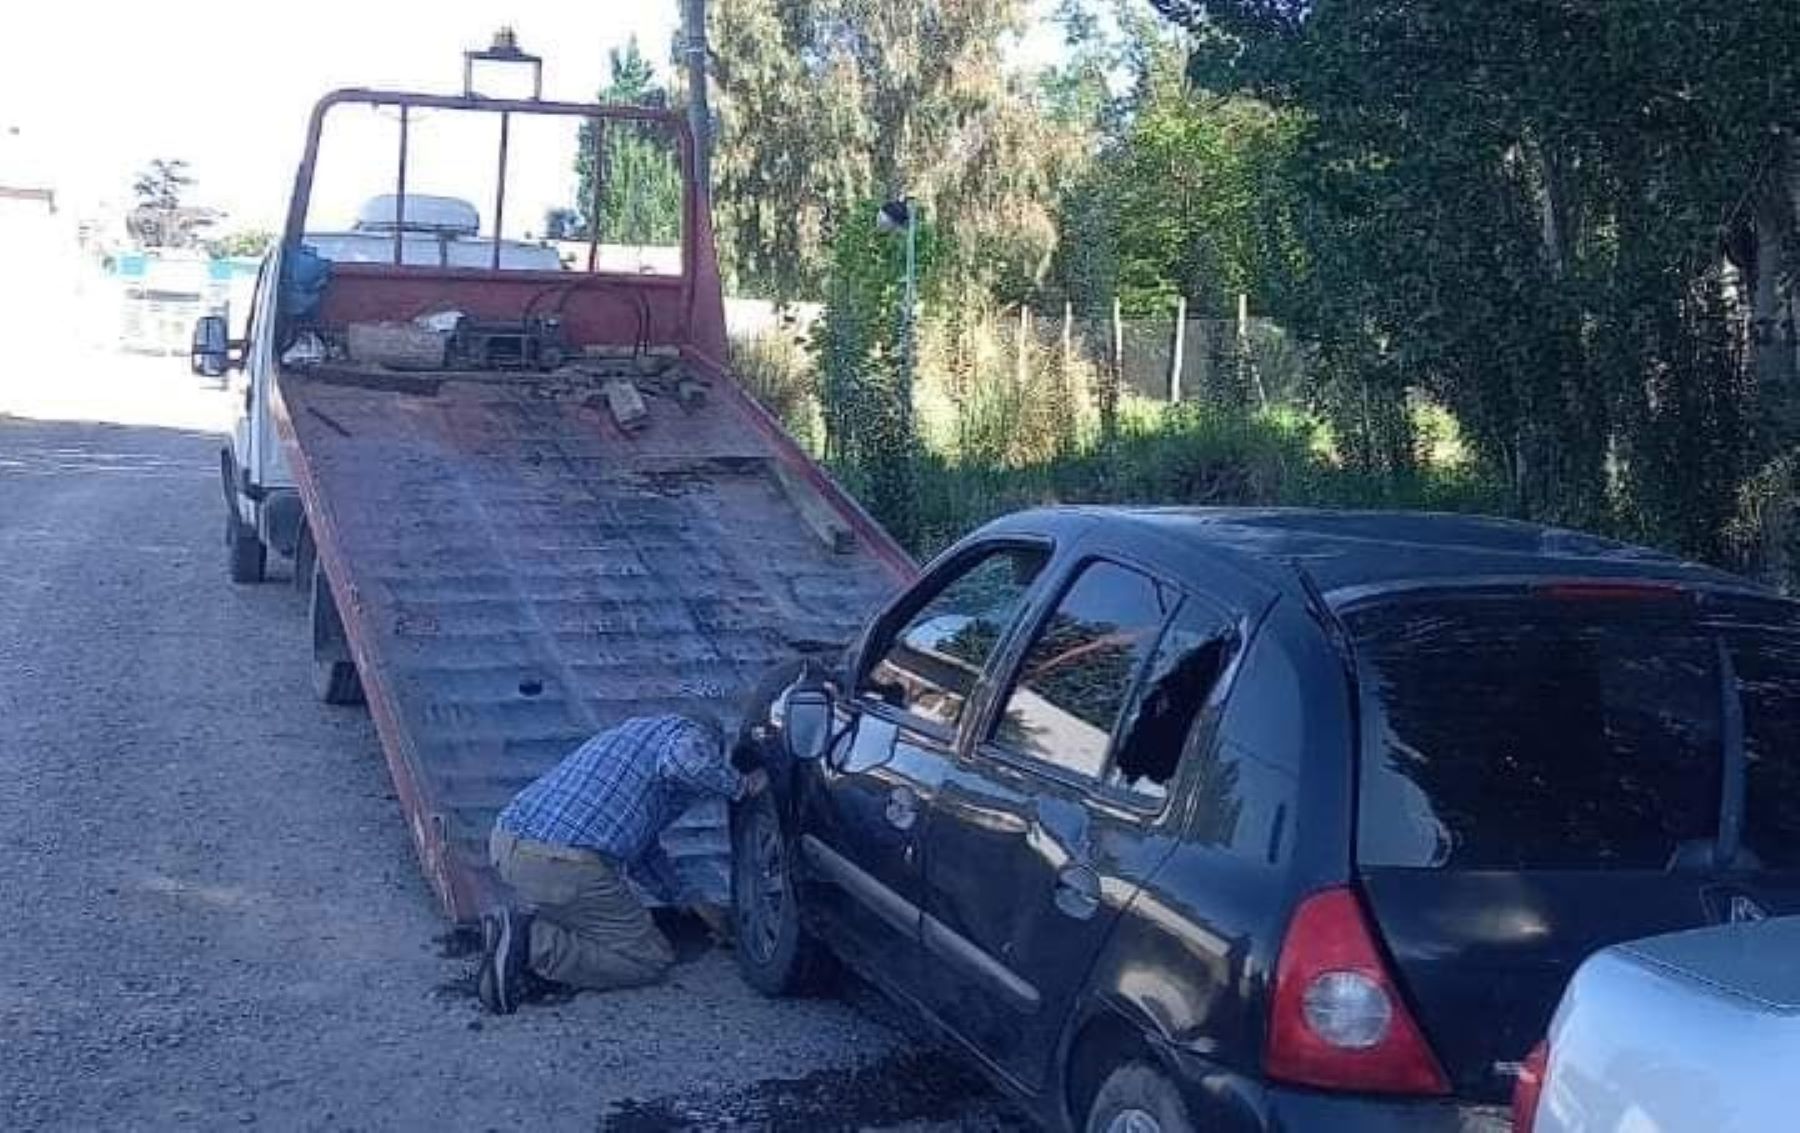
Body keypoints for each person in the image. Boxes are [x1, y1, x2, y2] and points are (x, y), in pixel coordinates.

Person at [478, 711, 767, 1014]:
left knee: (592, 923)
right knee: (648, 958)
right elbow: (686, 762)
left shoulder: (631, 740)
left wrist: (691, 901)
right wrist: (741, 786)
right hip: (560, 863)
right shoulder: (688, 736)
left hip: (508, 845)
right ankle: (531, 942)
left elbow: (642, 853)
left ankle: (514, 934)